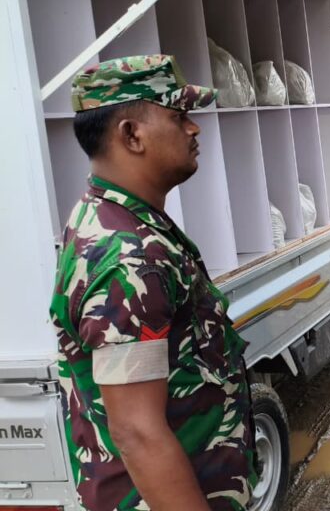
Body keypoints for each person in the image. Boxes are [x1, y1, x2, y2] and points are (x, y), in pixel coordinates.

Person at [49, 55, 254, 511]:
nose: (193, 128)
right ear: (131, 134)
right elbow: (136, 431)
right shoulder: (127, 256)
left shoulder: (118, 219)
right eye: (179, 116)